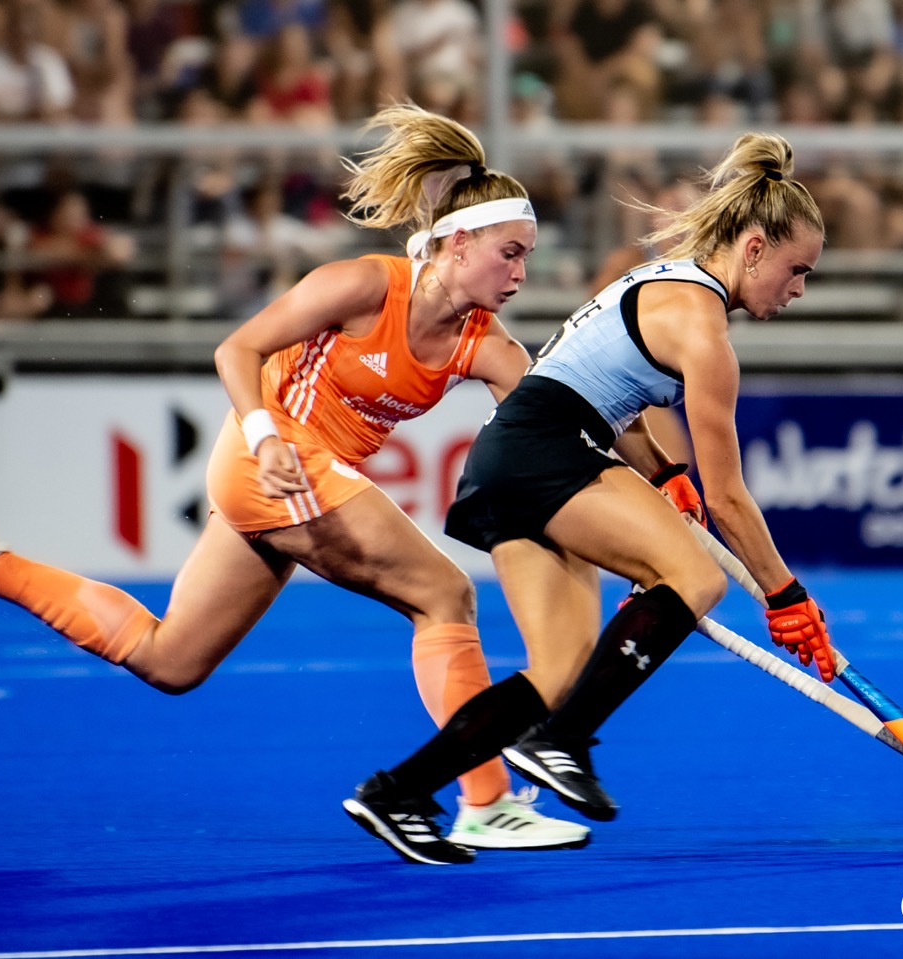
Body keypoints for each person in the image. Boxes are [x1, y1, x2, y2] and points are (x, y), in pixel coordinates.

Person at [0, 104, 588, 861]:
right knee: (444, 594)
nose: (521, 274)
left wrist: (663, 491)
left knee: (171, 658)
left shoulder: (486, 343)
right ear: (457, 241)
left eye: (527, 257)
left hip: (303, 482)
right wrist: (264, 433)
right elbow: (237, 349)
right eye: (510, 253)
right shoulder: (364, 285)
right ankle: (484, 800)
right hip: (272, 460)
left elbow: (565, 423)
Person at [341, 132, 837, 865]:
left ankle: (397, 791)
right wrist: (785, 594)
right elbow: (727, 497)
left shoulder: (664, 280)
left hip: (512, 453)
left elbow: (610, 389)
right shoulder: (705, 334)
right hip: (549, 447)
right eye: (797, 271)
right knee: (696, 579)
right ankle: (564, 741)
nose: (797, 290)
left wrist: (663, 472)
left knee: (559, 670)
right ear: (755, 249)